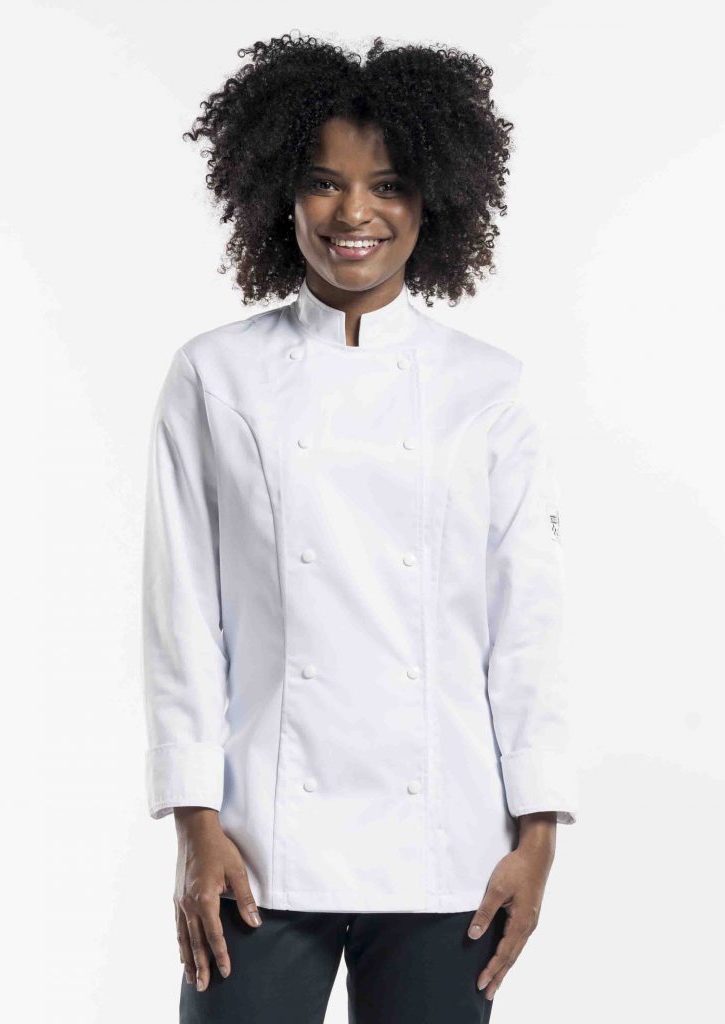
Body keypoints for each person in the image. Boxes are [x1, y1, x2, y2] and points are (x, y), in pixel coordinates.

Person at [141, 32, 578, 1024]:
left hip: (448, 845)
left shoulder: (488, 389)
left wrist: (539, 835)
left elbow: (528, 627)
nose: (353, 214)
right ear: (278, 194)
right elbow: (182, 618)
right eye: (323, 182)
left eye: (387, 185)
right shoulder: (214, 375)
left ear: (434, 200)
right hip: (257, 843)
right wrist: (194, 824)